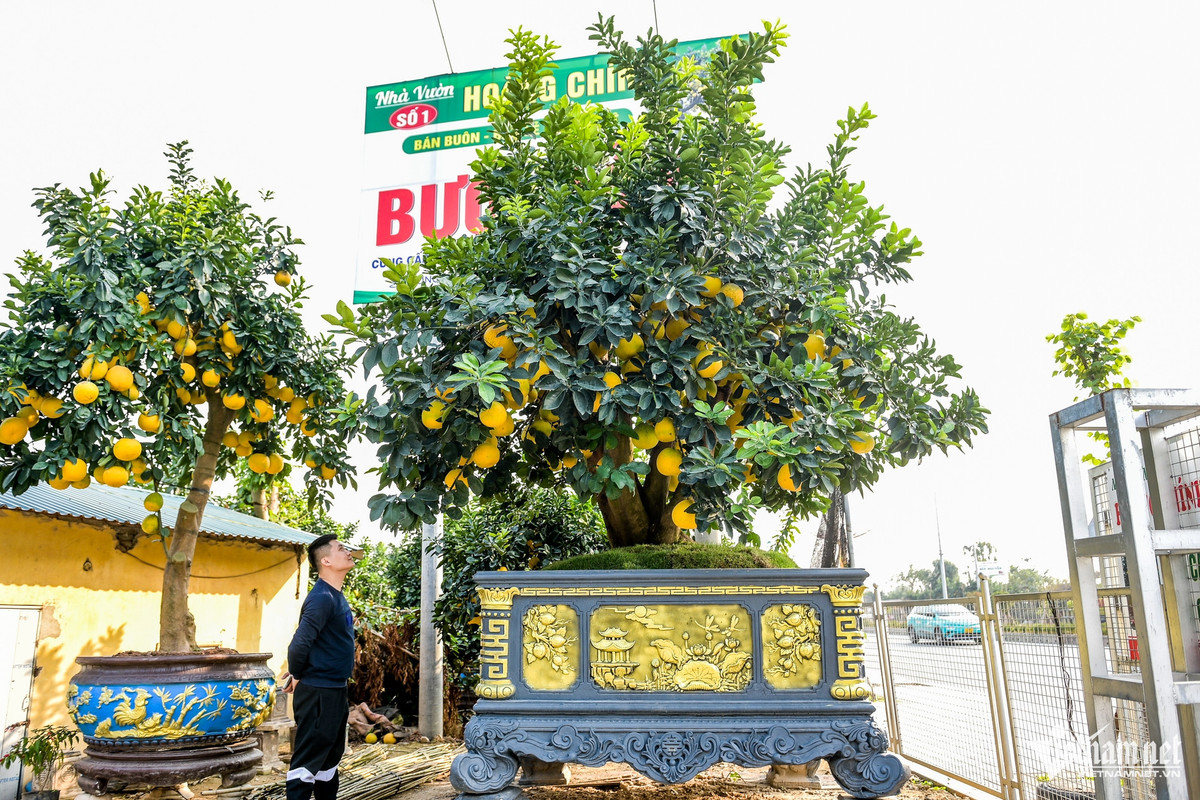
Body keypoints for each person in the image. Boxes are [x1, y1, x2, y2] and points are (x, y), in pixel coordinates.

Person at [281, 533, 359, 800]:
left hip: (335, 690)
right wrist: (299, 674)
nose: (347, 551)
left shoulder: (336, 596)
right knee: (307, 763)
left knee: (329, 761)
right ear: (325, 560)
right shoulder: (322, 597)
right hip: (318, 692)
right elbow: (299, 644)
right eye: (340, 549)